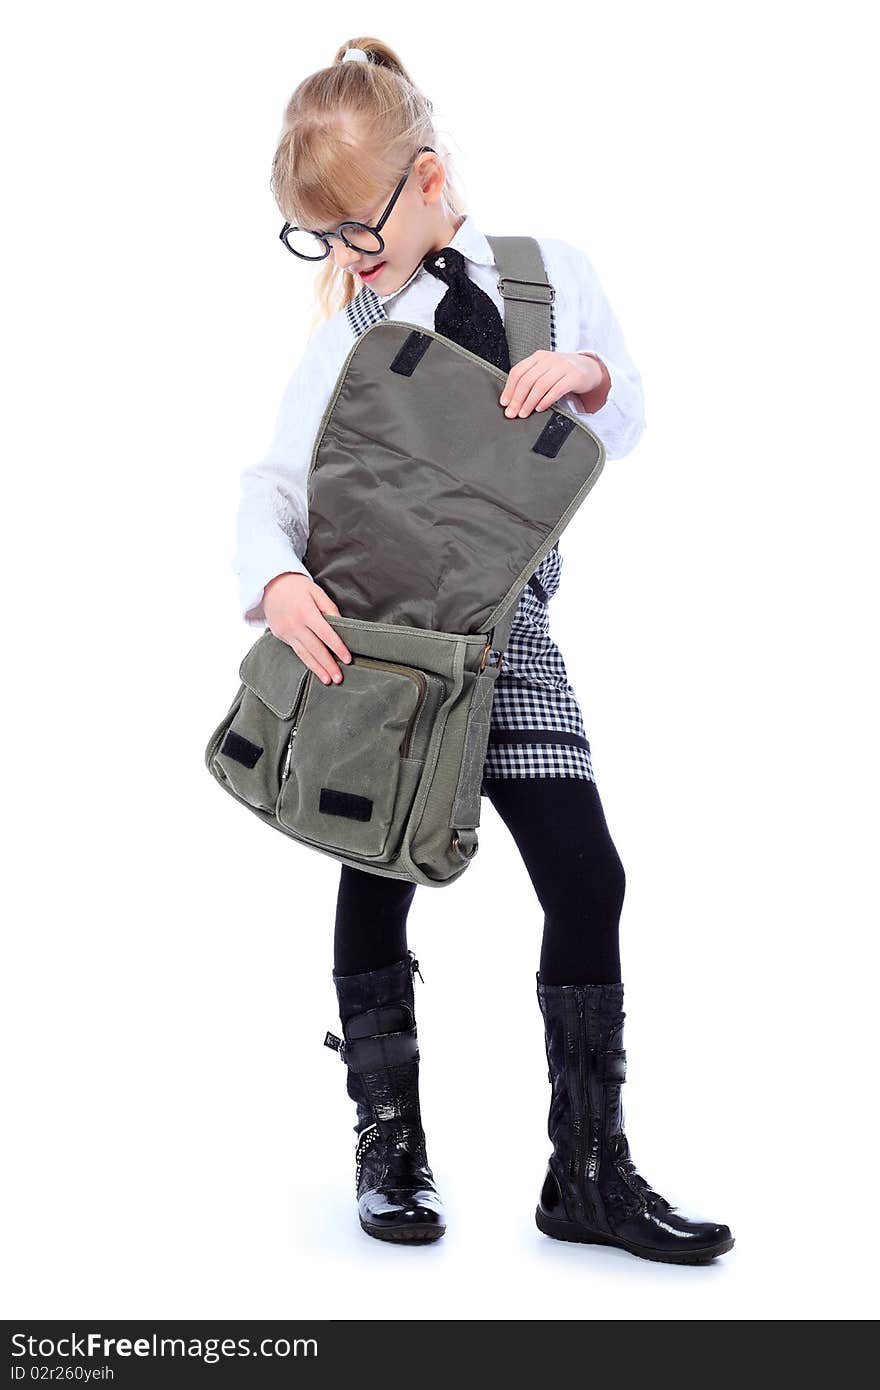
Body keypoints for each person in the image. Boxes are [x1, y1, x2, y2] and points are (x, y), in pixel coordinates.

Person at [232, 36, 734, 1265]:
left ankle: (589, 1170)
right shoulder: (356, 327)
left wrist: (591, 371)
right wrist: (276, 577)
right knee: (377, 864)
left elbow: (626, 423)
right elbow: (275, 483)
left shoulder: (546, 275)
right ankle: (389, 1145)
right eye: (327, 239)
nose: (350, 257)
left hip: (510, 640)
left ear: (428, 176)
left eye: (357, 228)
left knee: (588, 879)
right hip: (387, 647)